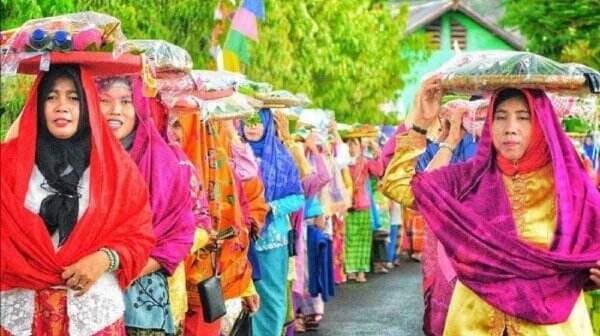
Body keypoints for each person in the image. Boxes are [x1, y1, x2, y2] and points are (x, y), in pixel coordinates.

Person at [382, 76, 600, 335]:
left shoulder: (570, 187)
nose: (510, 128)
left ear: (542, 122)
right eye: (500, 117)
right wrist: (420, 124)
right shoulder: (467, 180)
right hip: (475, 323)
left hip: (553, 326)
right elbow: (398, 185)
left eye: (523, 117)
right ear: (488, 125)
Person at [1, 65, 155, 335]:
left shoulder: (117, 170)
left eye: (73, 98)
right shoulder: (7, 164)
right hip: (19, 316)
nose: (62, 106)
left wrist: (105, 259)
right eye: (51, 97)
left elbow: (139, 236)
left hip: (93, 316)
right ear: (37, 105)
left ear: (87, 106)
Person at [98, 76, 195, 335]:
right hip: (82, 297)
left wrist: (121, 271)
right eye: (103, 101)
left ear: (140, 107)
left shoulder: (163, 163)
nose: (115, 110)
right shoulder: (73, 156)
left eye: (126, 101)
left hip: (142, 303)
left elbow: (180, 235)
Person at [241, 109, 305, 336]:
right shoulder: (234, 153)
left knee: (273, 296)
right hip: (240, 238)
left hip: (272, 239)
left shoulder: (282, 156)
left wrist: (270, 207)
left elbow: (298, 197)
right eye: (247, 121)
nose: (252, 126)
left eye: (258, 122)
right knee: (243, 298)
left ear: (268, 125)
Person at [345, 136, 384, 283]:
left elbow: (379, 171)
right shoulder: (343, 162)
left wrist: (375, 149)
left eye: (354, 144)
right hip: (348, 205)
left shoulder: (365, 162)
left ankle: (361, 271)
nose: (351, 148)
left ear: (360, 147)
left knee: (363, 239)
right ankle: (350, 270)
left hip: (363, 204)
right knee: (350, 239)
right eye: (349, 144)